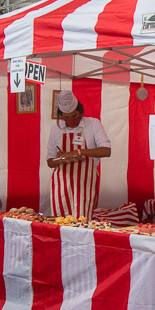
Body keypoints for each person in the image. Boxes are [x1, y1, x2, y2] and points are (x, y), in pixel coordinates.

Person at [46, 90, 111, 219]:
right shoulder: (56, 128)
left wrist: (79, 152)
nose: (70, 121)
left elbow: (106, 150)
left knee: (83, 220)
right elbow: (50, 162)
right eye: (66, 117)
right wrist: (59, 158)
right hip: (61, 185)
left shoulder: (93, 124)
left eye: (74, 116)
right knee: (61, 222)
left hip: (85, 183)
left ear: (81, 113)